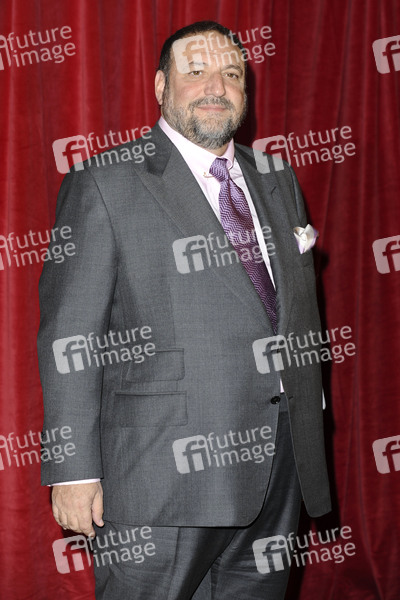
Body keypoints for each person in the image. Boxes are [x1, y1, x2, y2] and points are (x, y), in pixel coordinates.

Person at [38, 20, 331, 600]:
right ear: (160, 86)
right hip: (160, 480)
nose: (215, 87)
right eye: (195, 71)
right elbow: (70, 336)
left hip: (280, 468)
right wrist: (73, 470)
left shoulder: (277, 177)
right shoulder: (104, 182)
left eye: (231, 73)